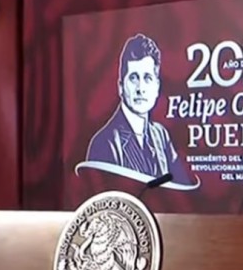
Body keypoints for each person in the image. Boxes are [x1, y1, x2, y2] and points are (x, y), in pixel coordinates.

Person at [83, 33, 196, 188]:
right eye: (133, 78)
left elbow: (183, 187)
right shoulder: (104, 143)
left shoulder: (161, 135)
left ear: (157, 87)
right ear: (121, 87)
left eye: (147, 78)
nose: (140, 88)